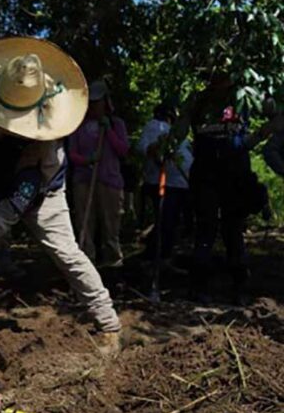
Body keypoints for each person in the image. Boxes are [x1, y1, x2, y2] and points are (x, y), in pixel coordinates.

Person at [0, 38, 122, 355]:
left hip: (41, 194)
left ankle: (109, 323)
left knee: (67, 254)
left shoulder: (42, 149)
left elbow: (11, 211)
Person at [171, 72, 272, 304]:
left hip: (236, 172)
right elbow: (179, 130)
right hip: (206, 172)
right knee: (206, 226)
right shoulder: (198, 100)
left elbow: (275, 112)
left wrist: (254, 139)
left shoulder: (245, 95)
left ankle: (239, 287)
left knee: (233, 227)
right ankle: (199, 286)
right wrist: (165, 146)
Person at [68, 79, 129, 267]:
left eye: (98, 102)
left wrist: (108, 130)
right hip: (83, 180)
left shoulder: (116, 123)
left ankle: (113, 261)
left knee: (111, 223)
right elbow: (71, 153)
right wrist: (87, 160)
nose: (94, 106)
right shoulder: (78, 125)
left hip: (109, 180)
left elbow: (123, 150)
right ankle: (86, 262)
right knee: (84, 221)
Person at [137, 102, 193, 262]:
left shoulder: (175, 132)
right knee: (167, 221)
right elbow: (144, 148)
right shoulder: (155, 127)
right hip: (165, 183)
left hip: (178, 182)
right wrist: (158, 150)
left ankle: (163, 255)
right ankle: (157, 256)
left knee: (172, 221)